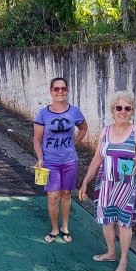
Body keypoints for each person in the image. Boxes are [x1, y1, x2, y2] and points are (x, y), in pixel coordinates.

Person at [78, 91, 136, 271]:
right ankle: (111, 253)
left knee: (124, 224)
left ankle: (123, 259)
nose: (123, 111)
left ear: (132, 111)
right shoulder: (105, 131)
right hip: (105, 184)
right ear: (112, 110)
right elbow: (97, 158)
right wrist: (86, 181)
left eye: (127, 108)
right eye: (119, 108)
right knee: (107, 221)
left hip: (126, 186)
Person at [34, 78, 88, 243]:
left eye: (63, 88)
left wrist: (74, 143)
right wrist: (40, 158)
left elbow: (84, 127)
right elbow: (37, 139)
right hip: (50, 162)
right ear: (51, 91)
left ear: (67, 90)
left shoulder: (74, 111)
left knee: (66, 194)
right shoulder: (43, 113)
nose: (60, 92)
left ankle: (65, 228)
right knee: (53, 197)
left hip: (69, 161)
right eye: (56, 89)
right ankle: (54, 229)